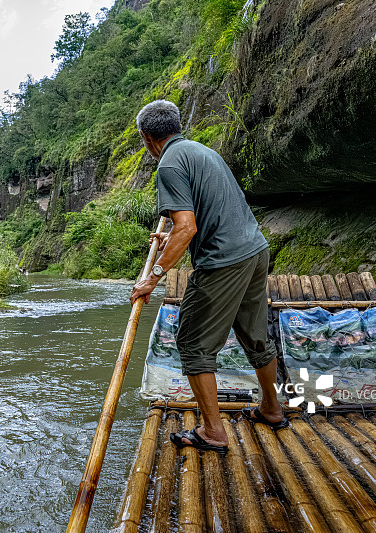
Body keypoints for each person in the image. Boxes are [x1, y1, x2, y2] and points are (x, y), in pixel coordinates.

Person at [129, 100, 287, 455]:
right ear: (176, 126)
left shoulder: (169, 163)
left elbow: (187, 227)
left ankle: (213, 432)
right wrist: (171, 237)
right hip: (254, 251)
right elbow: (206, 214)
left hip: (223, 262)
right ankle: (271, 409)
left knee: (192, 342)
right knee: (256, 336)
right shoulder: (203, 152)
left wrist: (153, 277)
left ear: (146, 137)